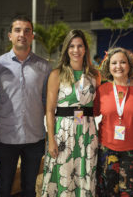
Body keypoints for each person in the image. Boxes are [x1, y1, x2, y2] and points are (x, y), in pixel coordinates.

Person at [0, 15, 52, 197]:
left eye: (27, 30)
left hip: (35, 138)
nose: (22, 34)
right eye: (17, 30)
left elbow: (45, 101)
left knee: (29, 189)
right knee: (4, 187)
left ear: (32, 36)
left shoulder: (44, 66)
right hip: (6, 138)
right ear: (10, 35)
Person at [41, 29, 100, 196]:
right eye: (72, 46)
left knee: (85, 174)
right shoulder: (56, 74)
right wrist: (51, 139)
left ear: (85, 49)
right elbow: (50, 110)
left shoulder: (95, 75)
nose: (76, 50)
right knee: (64, 175)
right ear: (66, 49)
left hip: (87, 132)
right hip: (63, 133)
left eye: (80, 46)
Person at [94, 47, 133, 196]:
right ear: (108, 67)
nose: (118, 66)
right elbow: (93, 114)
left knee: (131, 193)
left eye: (123, 62)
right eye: (114, 63)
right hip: (107, 151)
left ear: (130, 65)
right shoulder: (102, 90)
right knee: (107, 193)